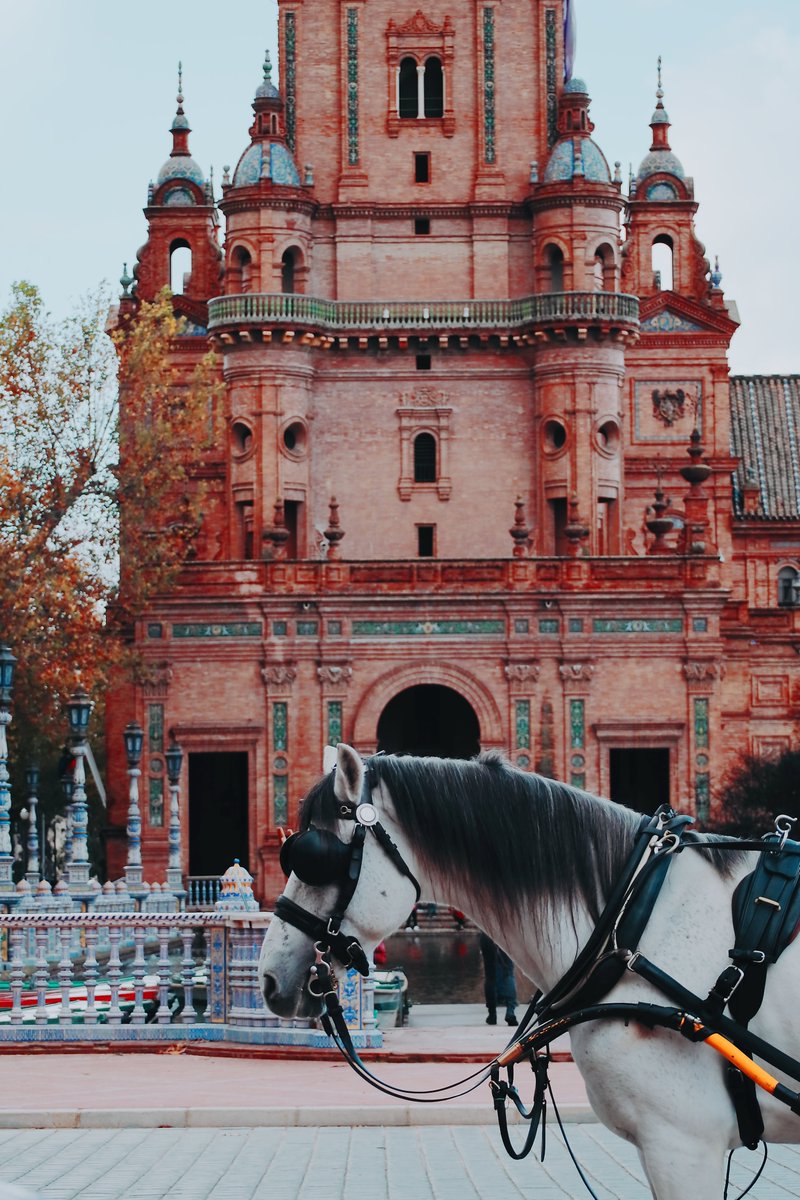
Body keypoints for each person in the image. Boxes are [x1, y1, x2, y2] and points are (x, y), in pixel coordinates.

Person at [479, 932, 517, 1025]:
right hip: (505, 934)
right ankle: (510, 1011)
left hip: (486, 932)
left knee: (490, 975)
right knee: (507, 972)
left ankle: (492, 1015)